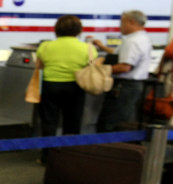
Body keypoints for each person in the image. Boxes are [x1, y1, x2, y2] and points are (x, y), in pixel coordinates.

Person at [35, 15, 95, 162]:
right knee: (72, 123)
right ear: (79, 30)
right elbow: (89, 69)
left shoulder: (46, 46)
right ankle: (69, 157)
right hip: (75, 88)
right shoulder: (88, 48)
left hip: (50, 86)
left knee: (49, 123)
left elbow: (39, 68)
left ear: (57, 29)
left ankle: (46, 157)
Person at [91, 10, 152, 132]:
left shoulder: (132, 42)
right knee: (124, 121)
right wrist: (102, 47)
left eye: (122, 22)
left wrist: (100, 70)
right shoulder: (142, 38)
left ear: (131, 22)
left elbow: (124, 67)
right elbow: (119, 54)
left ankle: (107, 149)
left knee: (110, 122)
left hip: (124, 87)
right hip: (133, 87)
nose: (120, 26)